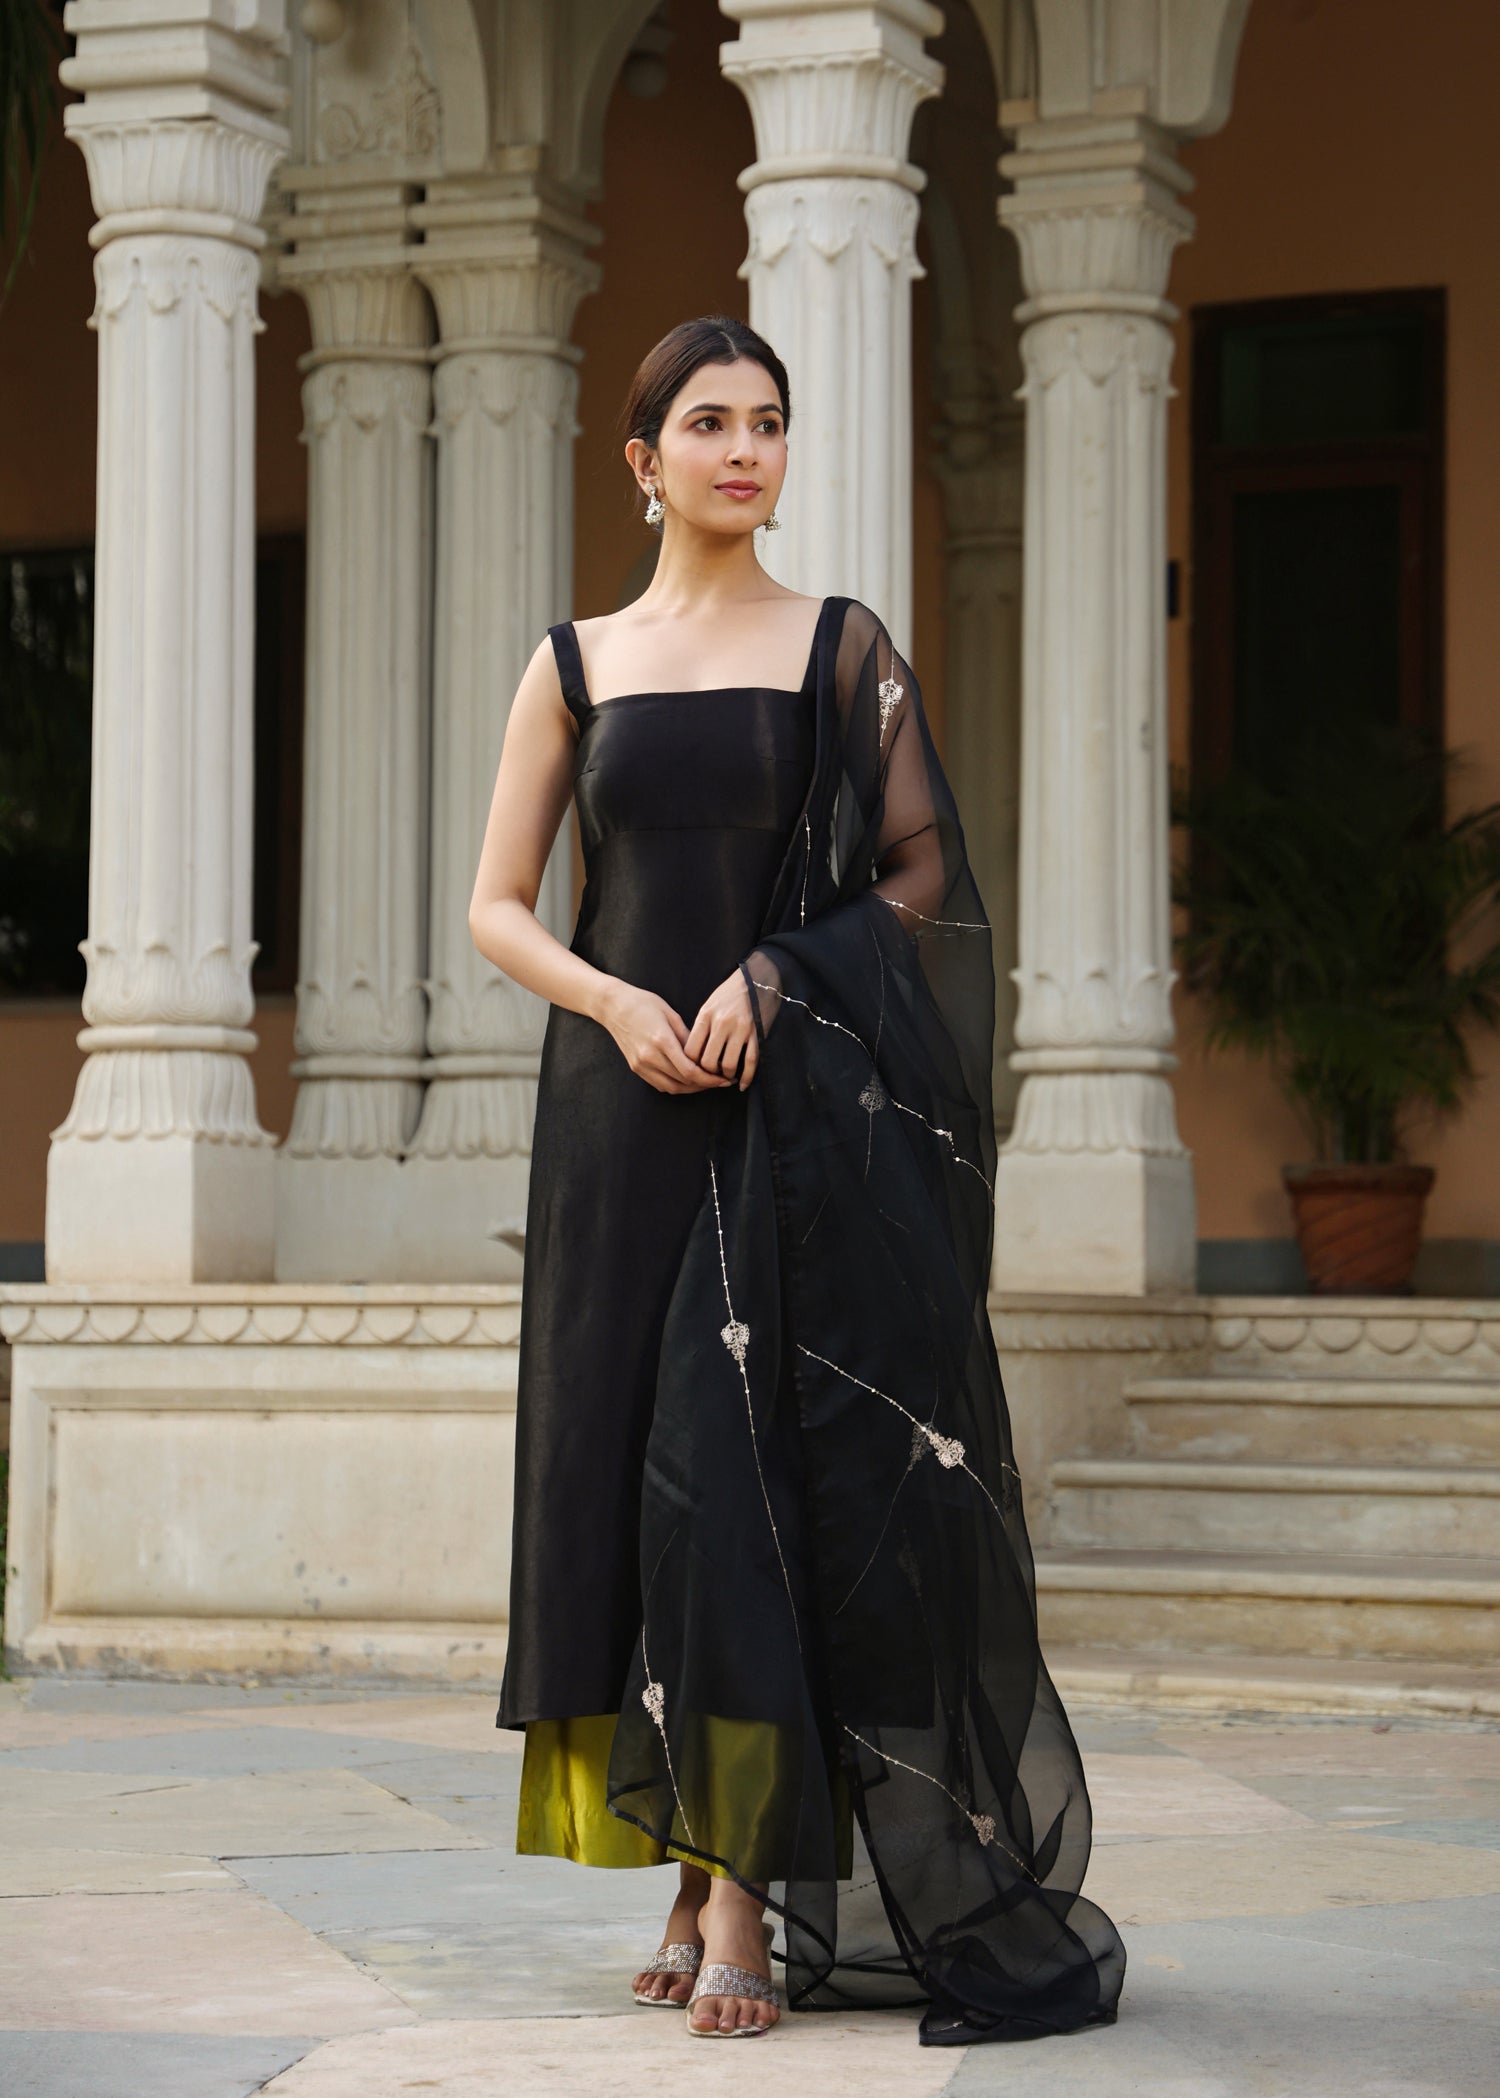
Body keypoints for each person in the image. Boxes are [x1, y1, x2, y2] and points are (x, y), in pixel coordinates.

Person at [468, 314, 1126, 2045]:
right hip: (620, 1124)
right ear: (644, 460)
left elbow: (922, 869)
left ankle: (747, 1894)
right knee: (635, 1483)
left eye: (767, 421)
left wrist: (777, 974)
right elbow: (499, 904)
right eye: (708, 422)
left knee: (738, 1482)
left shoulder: (842, 648)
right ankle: (690, 1864)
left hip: (790, 1127)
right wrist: (617, 1002)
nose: (744, 449)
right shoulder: (576, 663)